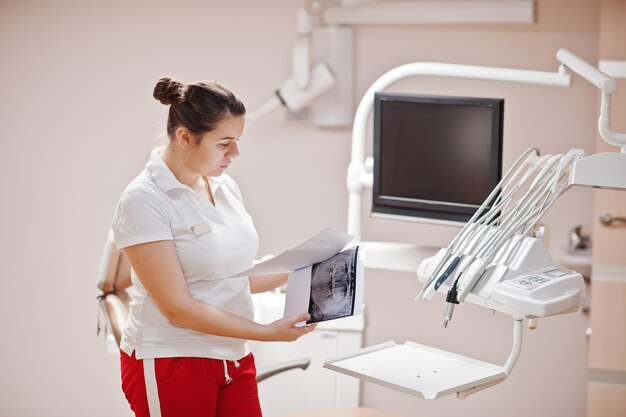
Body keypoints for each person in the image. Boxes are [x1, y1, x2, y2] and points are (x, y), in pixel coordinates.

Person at [111, 77, 316, 417]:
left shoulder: (224, 186)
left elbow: (236, 276)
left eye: (237, 141)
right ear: (185, 137)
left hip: (232, 357)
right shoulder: (143, 200)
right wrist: (266, 333)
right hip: (171, 359)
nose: (235, 154)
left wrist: (304, 266)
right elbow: (177, 307)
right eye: (225, 143)